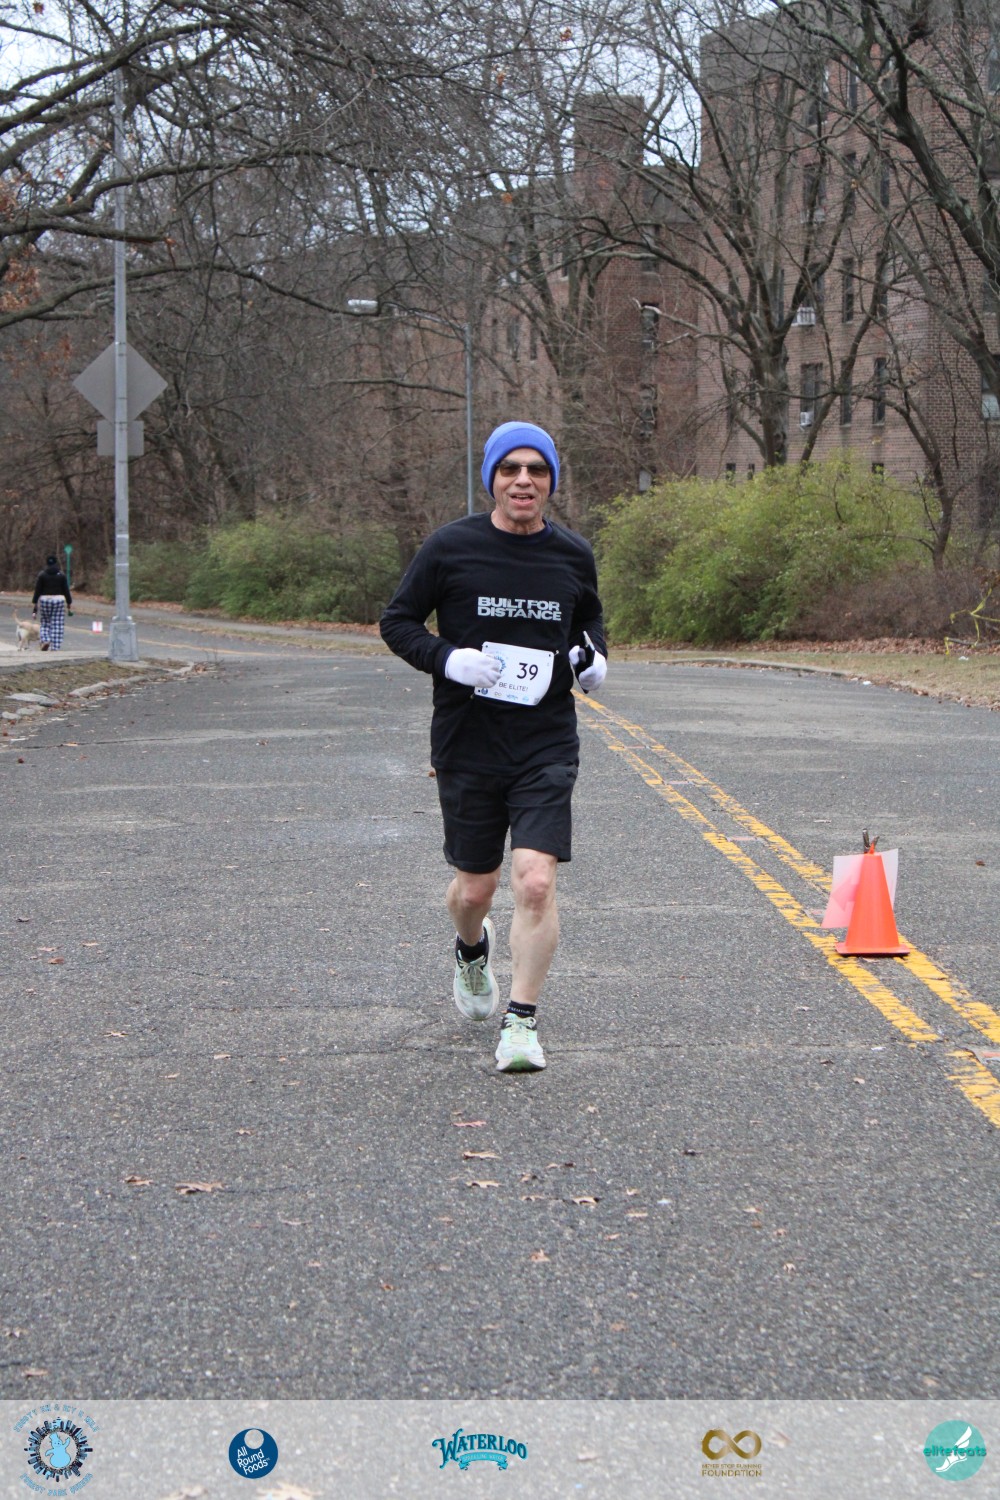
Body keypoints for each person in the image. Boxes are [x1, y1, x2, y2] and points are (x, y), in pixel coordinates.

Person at [380, 421, 607, 1072]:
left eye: (537, 470)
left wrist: (594, 659)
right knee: (475, 889)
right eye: (510, 469)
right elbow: (397, 621)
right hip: (468, 743)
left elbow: (588, 620)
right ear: (493, 480)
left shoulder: (573, 554)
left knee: (534, 882)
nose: (524, 480)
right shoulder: (451, 548)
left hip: (545, 741)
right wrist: (448, 659)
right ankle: (471, 950)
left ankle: (521, 1022)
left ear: (551, 481)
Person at [32, 554, 73, 651]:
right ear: (56, 563)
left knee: (45, 622)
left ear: (47, 563)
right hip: (58, 600)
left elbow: (37, 590)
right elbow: (66, 590)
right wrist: (69, 602)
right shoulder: (61, 575)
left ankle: (45, 640)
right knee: (57, 623)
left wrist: (35, 604)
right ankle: (55, 646)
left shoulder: (42, 575)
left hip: (45, 599)